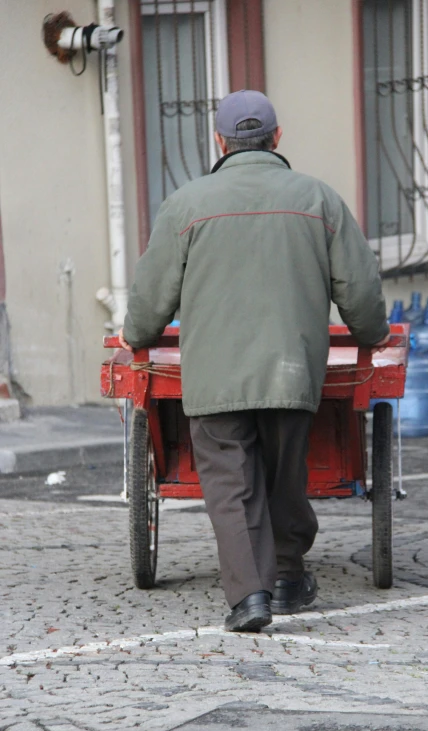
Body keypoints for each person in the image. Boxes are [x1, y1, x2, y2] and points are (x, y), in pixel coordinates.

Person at [119, 89, 389, 633]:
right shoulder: (319, 199)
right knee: (287, 474)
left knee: (230, 485)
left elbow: (152, 296)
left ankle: (250, 597)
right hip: (293, 369)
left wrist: (136, 335)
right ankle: (288, 575)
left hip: (215, 375)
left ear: (219, 142)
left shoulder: (186, 205)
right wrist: (371, 333)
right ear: (277, 138)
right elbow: (358, 288)